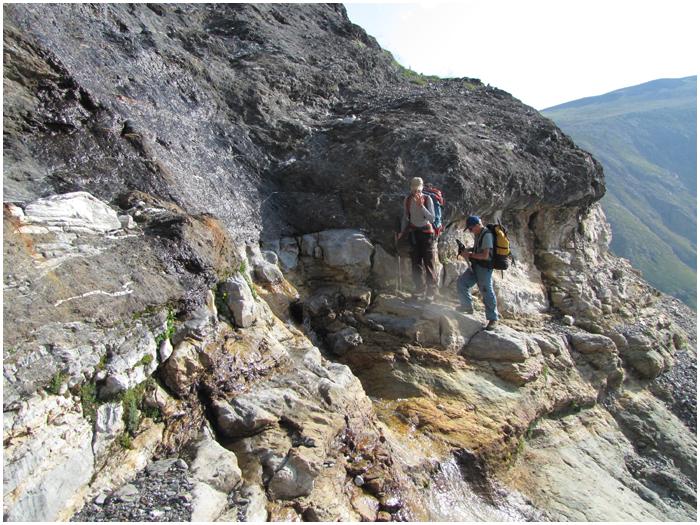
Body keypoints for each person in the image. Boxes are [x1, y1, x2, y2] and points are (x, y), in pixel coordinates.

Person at [397, 177, 438, 300]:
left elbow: (432, 218)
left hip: (427, 234)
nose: (416, 192)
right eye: (414, 189)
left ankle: (431, 292)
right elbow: (405, 217)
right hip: (414, 233)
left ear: (422, 187)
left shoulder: (427, 199)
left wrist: (421, 206)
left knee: (429, 263)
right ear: (411, 188)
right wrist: (402, 232)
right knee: (416, 263)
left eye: (418, 189)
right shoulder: (407, 199)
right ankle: (419, 289)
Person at [457, 215, 499, 330]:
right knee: (462, 282)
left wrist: (469, 255)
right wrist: (467, 250)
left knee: (486, 291)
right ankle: (467, 307)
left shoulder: (487, 235)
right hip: (476, 265)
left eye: (471, 229)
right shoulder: (478, 234)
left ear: (476, 225)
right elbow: (478, 248)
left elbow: (485, 255)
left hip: (484, 268)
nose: (470, 231)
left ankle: (493, 319)